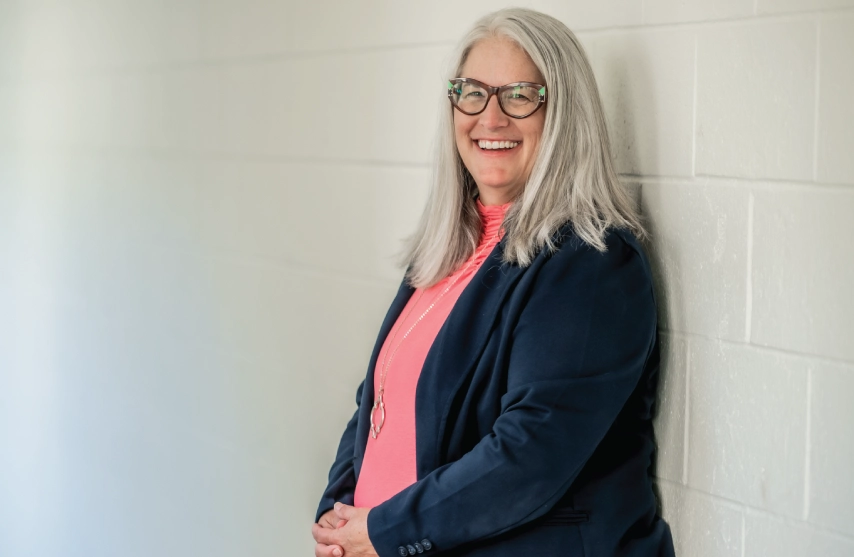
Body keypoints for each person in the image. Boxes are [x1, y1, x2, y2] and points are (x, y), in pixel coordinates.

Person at [311, 7, 675, 557]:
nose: (491, 118)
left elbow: (529, 456)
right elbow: (377, 405)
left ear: (563, 113)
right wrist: (340, 512)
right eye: (473, 92)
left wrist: (384, 532)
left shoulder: (592, 262)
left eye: (520, 95)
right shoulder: (447, 249)